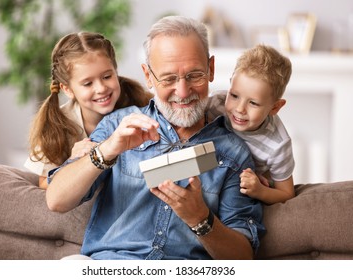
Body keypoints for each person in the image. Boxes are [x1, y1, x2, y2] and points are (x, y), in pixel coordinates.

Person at [46, 16, 265, 260]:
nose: (183, 92)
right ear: (148, 76)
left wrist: (201, 219)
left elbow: (244, 258)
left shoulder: (232, 153)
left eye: (194, 75)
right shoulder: (118, 126)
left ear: (211, 69)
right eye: (169, 78)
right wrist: (107, 150)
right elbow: (56, 201)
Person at [24, 32, 153, 189]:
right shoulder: (55, 126)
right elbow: (45, 184)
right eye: (87, 84)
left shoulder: (139, 103)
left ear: (115, 70)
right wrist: (73, 161)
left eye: (107, 76)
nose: (101, 88)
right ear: (68, 89)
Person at [207, 44, 295, 204]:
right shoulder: (214, 105)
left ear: (275, 107)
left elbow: (287, 194)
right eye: (234, 95)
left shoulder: (278, 145)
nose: (239, 109)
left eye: (253, 103)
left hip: (237, 192)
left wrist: (260, 191)